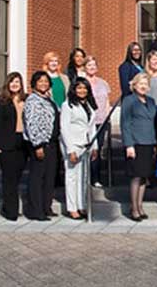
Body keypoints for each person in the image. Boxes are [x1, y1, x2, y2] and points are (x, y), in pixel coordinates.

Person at [23, 71, 60, 221]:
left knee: (49, 177)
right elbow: (32, 123)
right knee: (37, 178)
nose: (43, 83)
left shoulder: (48, 98)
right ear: (34, 84)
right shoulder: (32, 100)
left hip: (52, 143)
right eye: (40, 81)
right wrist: (38, 145)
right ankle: (35, 210)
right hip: (40, 143)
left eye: (46, 81)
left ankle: (46, 207)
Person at [60, 78, 98, 220]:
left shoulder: (88, 105)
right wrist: (70, 150)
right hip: (73, 144)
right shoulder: (67, 106)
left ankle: (81, 204)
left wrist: (95, 146)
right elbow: (64, 128)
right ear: (73, 90)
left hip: (86, 144)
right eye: (79, 88)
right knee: (72, 177)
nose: (82, 91)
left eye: (85, 88)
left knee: (83, 177)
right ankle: (72, 208)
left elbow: (91, 127)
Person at [120, 73, 157, 222]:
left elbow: (152, 123)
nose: (143, 86)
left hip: (148, 142)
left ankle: (140, 205)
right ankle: (134, 208)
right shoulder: (129, 101)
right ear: (134, 85)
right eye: (140, 83)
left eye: (146, 84)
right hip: (135, 143)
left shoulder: (151, 101)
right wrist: (129, 145)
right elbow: (125, 124)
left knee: (144, 177)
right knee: (136, 177)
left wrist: (154, 143)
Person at [0, 72, 28, 221]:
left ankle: (11, 207)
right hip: (6, 144)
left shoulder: (25, 100)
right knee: (9, 178)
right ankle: (10, 211)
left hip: (23, 142)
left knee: (17, 176)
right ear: (8, 84)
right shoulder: (2, 101)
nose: (15, 84)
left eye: (18, 82)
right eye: (12, 82)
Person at [84, 56, 111, 188]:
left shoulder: (103, 83)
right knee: (88, 149)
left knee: (98, 149)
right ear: (85, 67)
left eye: (94, 65)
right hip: (86, 121)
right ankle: (86, 177)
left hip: (101, 120)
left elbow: (106, 101)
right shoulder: (81, 83)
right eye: (89, 65)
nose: (92, 68)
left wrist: (107, 116)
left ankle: (96, 177)